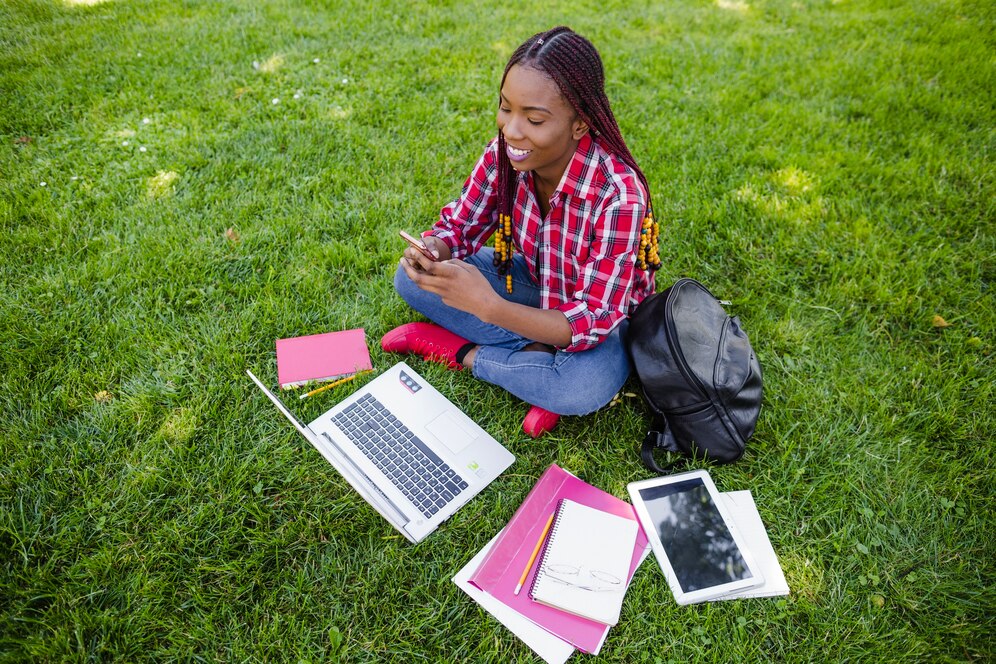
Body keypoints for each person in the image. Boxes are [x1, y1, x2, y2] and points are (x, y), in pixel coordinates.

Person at [382, 26, 661, 437]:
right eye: (505, 107)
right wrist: (434, 250)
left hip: (598, 318)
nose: (511, 130)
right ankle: (536, 365)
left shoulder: (618, 196)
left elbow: (596, 318)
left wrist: (487, 308)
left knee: (583, 386)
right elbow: (460, 225)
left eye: (533, 118)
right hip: (530, 281)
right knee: (411, 282)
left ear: (580, 123)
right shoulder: (504, 156)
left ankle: (468, 355)